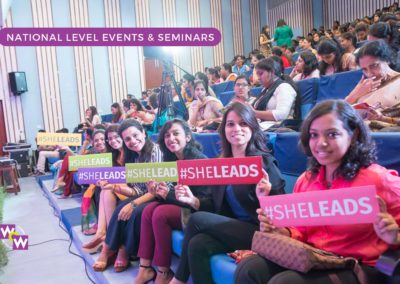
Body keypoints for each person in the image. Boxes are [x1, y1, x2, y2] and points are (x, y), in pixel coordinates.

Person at [234, 99, 400, 284]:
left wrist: (394, 236)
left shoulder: (381, 180)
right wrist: (281, 231)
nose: (321, 143)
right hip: (315, 257)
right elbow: (300, 231)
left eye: (332, 134)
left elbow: (395, 234)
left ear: (353, 136)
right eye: (314, 135)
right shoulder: (305, 181)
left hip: (358, 265)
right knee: (250, 268)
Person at [169, 102, 286, 284]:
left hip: (261, 231)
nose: (236, 129)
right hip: (232, 229)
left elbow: (283, 210)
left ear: (252, 127)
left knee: (196, 219)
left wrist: (267, 194)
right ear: (224, 129)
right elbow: (215, 206)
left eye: (243, 123)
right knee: (197, 243)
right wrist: (193, 201)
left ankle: (178, 280)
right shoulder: (220, 164)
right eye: (231, 124)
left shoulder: (264, 162)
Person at [135, 119, 212, 284]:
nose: (171, 138)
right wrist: (156, 191)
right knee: (148, 210)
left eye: (176, 133)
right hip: (182, 205)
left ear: (188, 137)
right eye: (167, 135)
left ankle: (164, 272)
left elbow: (203, 201)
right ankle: (145, 268)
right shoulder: (171, 160)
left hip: (198, 211)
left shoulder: (199, 160)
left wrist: (167, 195)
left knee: (160, 214)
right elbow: (171, 193)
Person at [92, 119, 163, 272]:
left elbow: (156, 191)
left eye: (135, 135)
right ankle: (111, 248)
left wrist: (133, 204)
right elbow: (137, 190)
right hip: (145, 195)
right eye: (127, 139)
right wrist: (114, 187)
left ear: (144, 133)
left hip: (160, 196)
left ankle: (118, 250)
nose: (133, 141)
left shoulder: (155, 151)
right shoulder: (133, 157)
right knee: (120, 209)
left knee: (134, 212)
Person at [81, 124, 125, 253]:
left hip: (129, 188)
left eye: (116, 137)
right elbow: (79, 160)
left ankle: (105, 235)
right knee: (100, 188)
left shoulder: (128, 152)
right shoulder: (110, 154)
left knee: (104, 189)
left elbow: (126, 176)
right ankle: (102, 233)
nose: (112, 141)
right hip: (118, 186)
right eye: (109, 139)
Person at [345, 40, 400, 108]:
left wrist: (383, 118)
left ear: (387, 60)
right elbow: (339, 113)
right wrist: (354, 95)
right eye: (364, 69)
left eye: (374, 66)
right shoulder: (365, 87)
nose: (369, 74)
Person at [251, 58, 297, 130]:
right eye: (257, 74)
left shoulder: (284, 87)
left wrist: (255, 113)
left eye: (261, 74)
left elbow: (282, 115)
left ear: (272, 72)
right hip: (264, 125)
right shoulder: (265, 89)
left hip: (278, 127)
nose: (258, 78)